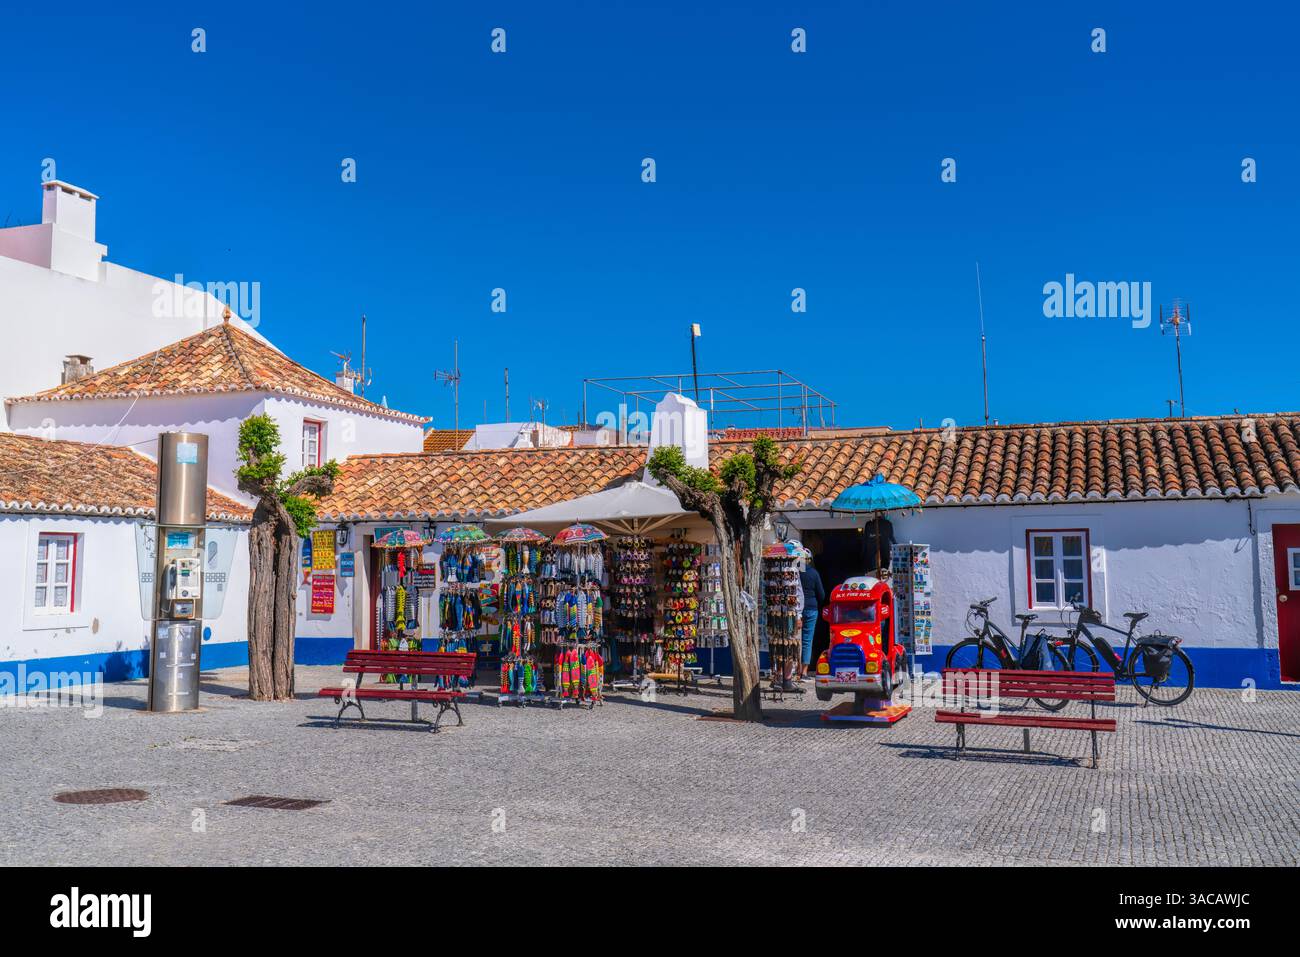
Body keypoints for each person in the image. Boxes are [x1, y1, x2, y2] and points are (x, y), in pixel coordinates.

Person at [795, 559, 825, 684]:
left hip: (796, 609)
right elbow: (821, 594)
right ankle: (804, 672)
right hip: (811, 609)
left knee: (795, 640)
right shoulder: (813, 573)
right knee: (807, 640)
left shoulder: (795, 572)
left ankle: (794, 671)